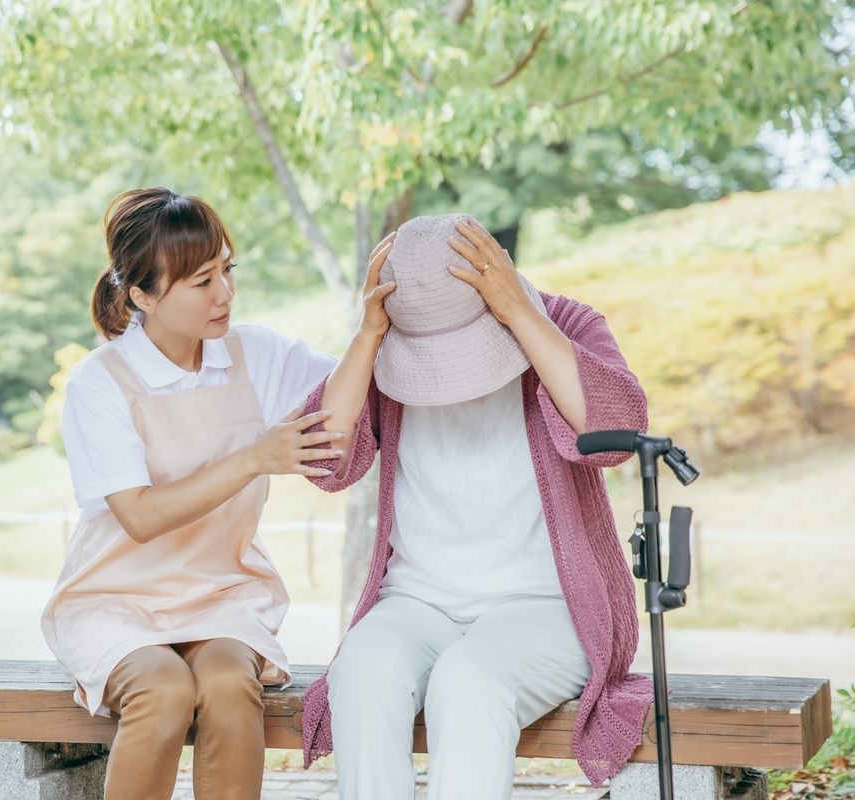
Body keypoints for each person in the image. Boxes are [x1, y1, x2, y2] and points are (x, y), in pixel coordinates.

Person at [298, 213, 653, 798]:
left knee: (468, 682)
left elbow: (619, 431)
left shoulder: (566, 322)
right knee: (359, 673)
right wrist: (367, 337)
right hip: (416, 600)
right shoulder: (388, 347)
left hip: (548, 607)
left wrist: (519, 313)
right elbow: (323, 458)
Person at [40, 187, 343, 800]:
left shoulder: (256, 354)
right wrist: (255, 456)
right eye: (202, 281)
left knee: (230, 684)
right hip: (116, 599)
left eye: (227, 269)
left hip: (221, 593)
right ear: (142, 296)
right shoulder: (101, 383)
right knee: (163, 688)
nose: (224, 293)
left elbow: (351, 391)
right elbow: (139, 516)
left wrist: (375, 325)